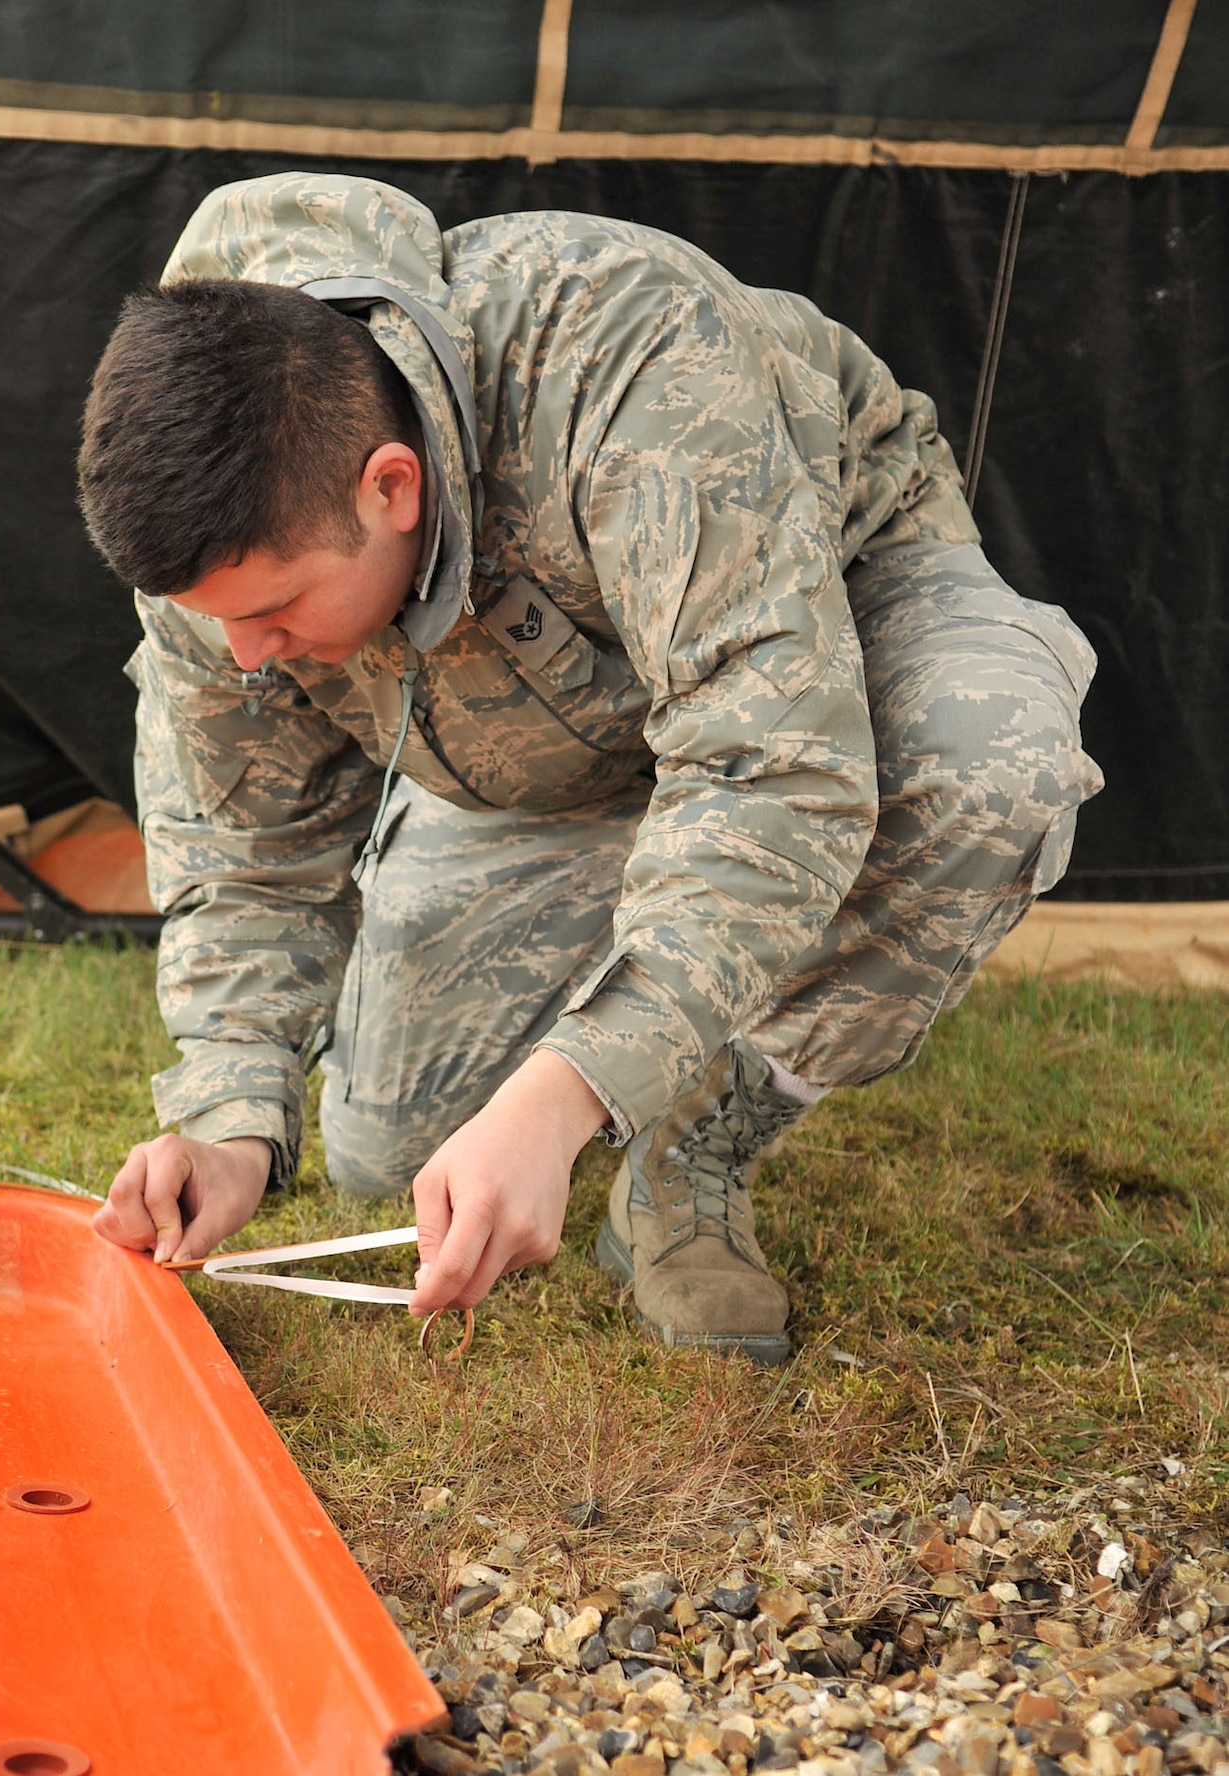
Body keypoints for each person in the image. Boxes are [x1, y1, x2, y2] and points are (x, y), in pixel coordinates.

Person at [80, 172, 1102, 1360]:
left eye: (278, 612)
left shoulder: (631, 358)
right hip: (541, 754)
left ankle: (700, 1136)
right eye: (218, 624)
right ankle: (637, 949)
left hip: (829, 637)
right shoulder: (222, 535)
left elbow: (771, 767)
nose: (247, 659)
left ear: (391, 487)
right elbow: (243, 845)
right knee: (391, 1155)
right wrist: (232, 1118)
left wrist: (566, 1094)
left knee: (994, 759)